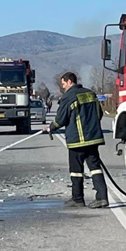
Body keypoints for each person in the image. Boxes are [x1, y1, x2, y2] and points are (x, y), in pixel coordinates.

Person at [45, 72, 108, 208]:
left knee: (76, 170)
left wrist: (51, 127)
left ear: (69, 81)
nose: (62, 87)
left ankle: (78, 199)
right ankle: (102, 197)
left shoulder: (69, 97)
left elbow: (61, 119)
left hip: (77, 140)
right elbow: (99, 113)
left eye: (63, 84)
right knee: (95, 168)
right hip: (93, 138)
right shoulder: (90, 94)